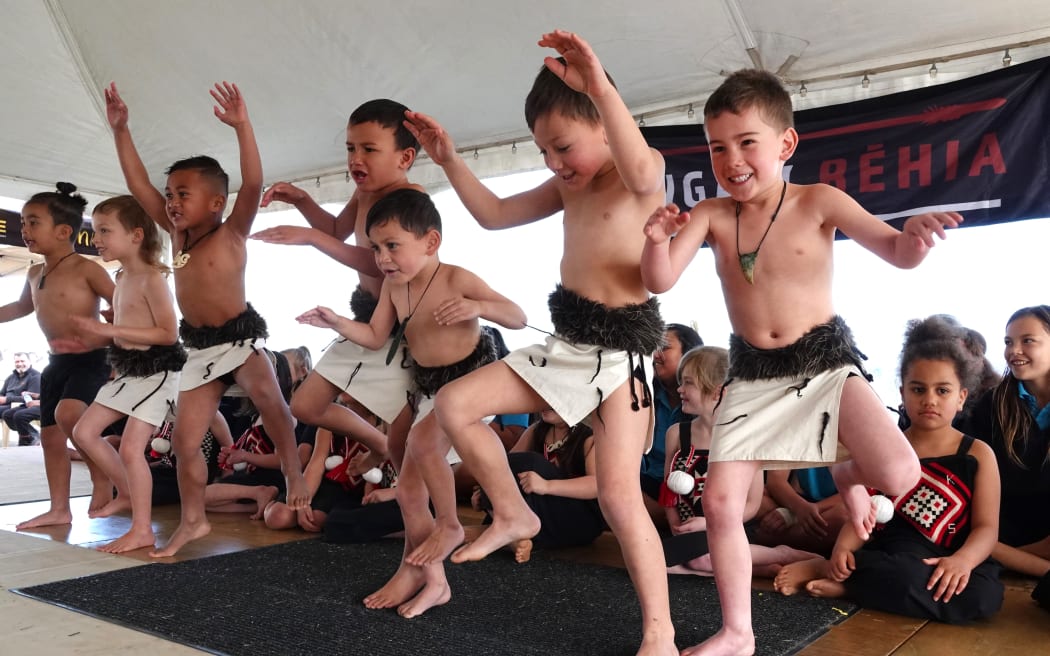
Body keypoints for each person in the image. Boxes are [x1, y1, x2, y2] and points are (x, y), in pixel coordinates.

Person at [640, 69, 959, 654]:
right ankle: (738, 632)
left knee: (899, 475)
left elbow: (894, 251)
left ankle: (849, 478)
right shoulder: (712, 214)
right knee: (717, 502)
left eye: (746, 142)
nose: (731, 158)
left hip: (824, 364)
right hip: (754, 374)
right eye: (717, 147)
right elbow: (657, 278)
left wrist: (912, 239)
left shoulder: (818, 201)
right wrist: (657, 238)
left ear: (784, 145)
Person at [408, 31, 676, 652]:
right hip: (566, 346)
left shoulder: (643, 175)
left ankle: (658, 631)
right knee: (453, 404)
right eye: (543, 150)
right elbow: (495, 215)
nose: (555, 162)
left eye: (563, 146)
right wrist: (448, 158)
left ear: (606, 125)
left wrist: (599, 85)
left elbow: (636, 162)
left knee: (618, 496)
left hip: (621, 358)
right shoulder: (568, 188)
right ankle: (513, 511)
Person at [296, 188, 526, 618]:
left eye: (393, 246)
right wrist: (337, 321)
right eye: (376, 248)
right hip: (429, 386)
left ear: (431, 242)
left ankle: (450, 525)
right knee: (406, 489)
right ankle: (430, 578)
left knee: (421, 449)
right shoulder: (392, 287)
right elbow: (375, 336)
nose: (383, 258)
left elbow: (517, 316)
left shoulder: (456, 278)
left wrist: (476, 307)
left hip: (470, 378)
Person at [104, 81, 309, 557]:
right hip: (198, 348)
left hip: (238, 338)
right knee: (184, 441)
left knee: (269, 398)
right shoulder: (176, 239)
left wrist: (242, 126)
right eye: (171, 194)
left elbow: (253, 183)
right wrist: (121, 130)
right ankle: (193, 521)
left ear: (216, 203)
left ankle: (293, 470)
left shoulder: (231, 232)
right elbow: (138, 186)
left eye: (184, 194)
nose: (172, 202)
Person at [774, 316, 1003, 624]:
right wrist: (843, 547)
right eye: (918, 389)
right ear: (902, 392)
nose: (929, 400)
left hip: (953, 557)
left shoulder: (978, 454)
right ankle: (833, 569)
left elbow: (986, 528)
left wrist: (962, 561)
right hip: (893, 555)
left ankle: (848, 586)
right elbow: (863, 512)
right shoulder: (887, 452)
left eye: (943, 390)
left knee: (985, 597)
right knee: (901, 572)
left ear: (961, 397)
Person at [253, 99, 423, 475]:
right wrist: (303, 201)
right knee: (306, 405)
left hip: (405, 329)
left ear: (404, 157)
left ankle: (412, 491)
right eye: (350, 148)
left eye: (369, 149)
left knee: (408, 436)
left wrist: (312, 237)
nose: (355, 159)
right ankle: (378, 443)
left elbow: (378, 263)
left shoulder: (412, 200)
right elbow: (337, 231)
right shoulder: (366, 193)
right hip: (369, 319)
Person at [68, 196, 186, 553]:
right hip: (131, 373)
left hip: (158, 371)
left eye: (104, 230)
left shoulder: (151, 277)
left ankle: (142, 529)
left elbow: (167, 333)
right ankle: (129, 494)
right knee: (84, 432)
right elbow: (130, 327)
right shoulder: (122, 275)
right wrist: (111, 327)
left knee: (134, 449)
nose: (96, 238)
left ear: (136, 235)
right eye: (94, 230)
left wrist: (107, 332)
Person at [0, 183, 115, 529]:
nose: (25, 230)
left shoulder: (87, 268)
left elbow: (123, 303)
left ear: (64, 231)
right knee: (51, 437)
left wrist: (113, 323)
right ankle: (59, 508)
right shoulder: (35, 272)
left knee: (72, 418)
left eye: (33, 222)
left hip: (92, 358)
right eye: (23, 222)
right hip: (56, 362)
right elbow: (22, 307)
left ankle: (102, 479)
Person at [660, 346, 818, 577]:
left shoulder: (745, 439)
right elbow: (668, 492)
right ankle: (761, 569)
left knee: (699, 561)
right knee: (658, 562)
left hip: (727, 530)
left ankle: (781, 554)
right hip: (687, 531)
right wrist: (676, 526)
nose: (679, 389)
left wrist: (708, 524)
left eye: (688, 383)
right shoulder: (676, 434)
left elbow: (752, 504)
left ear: (718, 392)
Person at [961, 305, 1050, 610]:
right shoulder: (992, 403)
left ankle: (1001, 556)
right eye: (1008, 342)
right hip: (1001, 522)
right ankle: (1029, 564)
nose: (1014, 351)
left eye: (1028, 340)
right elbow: (971, 473)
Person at [471, 408, 603, 563]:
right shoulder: (536, 430)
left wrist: (547, 485)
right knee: (501, 465)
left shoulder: (590, 437)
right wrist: (485, 491)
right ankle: (512, 535)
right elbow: (504, 469)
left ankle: (498, 533)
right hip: (544, 513)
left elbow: (596, 486)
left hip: (582, 518)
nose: (543, 404)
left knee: (531, 462)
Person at [643, 323, 703, 526]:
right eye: (654, 347)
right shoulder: (643, 396)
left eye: (664, 348)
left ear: (690, 355)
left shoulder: (710, 406)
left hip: (694, 484)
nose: (656, 354)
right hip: (650, 483)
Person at [1, 352, 42, 445]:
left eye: (22, 361)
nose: (19, 364)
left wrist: (7, 400)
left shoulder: (35, 376)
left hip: (21, 404)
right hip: (7, 405)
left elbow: (31, 398)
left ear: (29, 361)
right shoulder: (11, 377)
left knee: (15, 415)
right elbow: (2, 393)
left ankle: (29, 435)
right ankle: (28, 435)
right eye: (17, 361)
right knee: (7, 414)